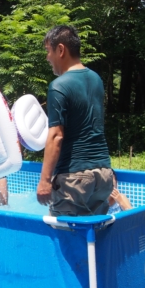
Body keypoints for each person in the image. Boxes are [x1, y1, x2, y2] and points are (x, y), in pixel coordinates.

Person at [36, 25, 113, 216]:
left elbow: (56, 137)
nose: (47, 58)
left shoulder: (59, 86)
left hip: (75, 176)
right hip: (104, 173)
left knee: (66, 237)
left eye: (48, 51)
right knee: (94, 235)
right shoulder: (96, 79)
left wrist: (45, 181)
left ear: (60, 50)